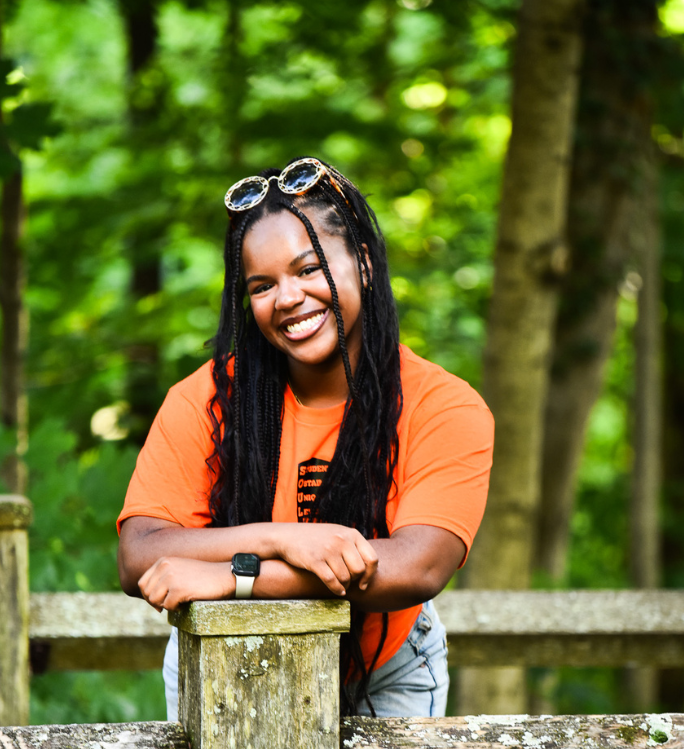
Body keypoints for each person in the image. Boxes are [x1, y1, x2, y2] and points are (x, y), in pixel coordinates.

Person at [116, 157, 494, 719]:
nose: (287, 297)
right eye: (262, 286)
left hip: (382, 666)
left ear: (363, 264)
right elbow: (139, 554)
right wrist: (284, 540)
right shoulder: (206, 400)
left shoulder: (444, 405)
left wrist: (234, 576)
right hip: (226, 652)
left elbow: (417, 567)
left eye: (309, 269)